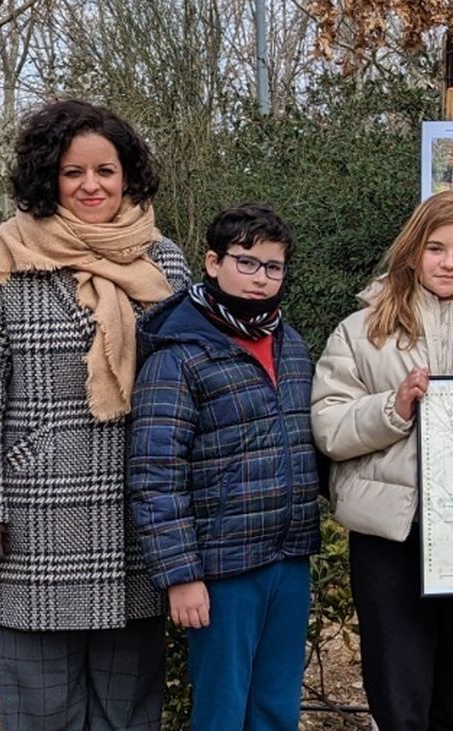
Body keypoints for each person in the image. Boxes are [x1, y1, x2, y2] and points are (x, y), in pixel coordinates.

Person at [0, 99, 191, 731]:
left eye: (105, 171)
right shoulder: (6, 256)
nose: (91, 186)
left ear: (127, 175)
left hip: (137, 516)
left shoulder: (164, 261)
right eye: (73, 172)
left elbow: (191, 388)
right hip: (35, 520)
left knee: (129, 708)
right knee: (42, 707)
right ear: (47, 177)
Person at [311, 192, 453, 731]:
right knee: (398, 695)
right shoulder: (361, 332)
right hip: (389, 536)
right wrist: (395, 406)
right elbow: (329, 428)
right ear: (412, 253)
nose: (449, 262)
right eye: (436, 248)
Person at [126, 204, 322, 731]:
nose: (261, 279)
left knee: (276, 705)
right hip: (223, 569)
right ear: (213, 263)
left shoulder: (291, 345)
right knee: (222, 711)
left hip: (288, 555)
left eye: (273, 267)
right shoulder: (180, 353)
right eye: (247, 262)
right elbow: (154, 474)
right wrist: (181, 575)